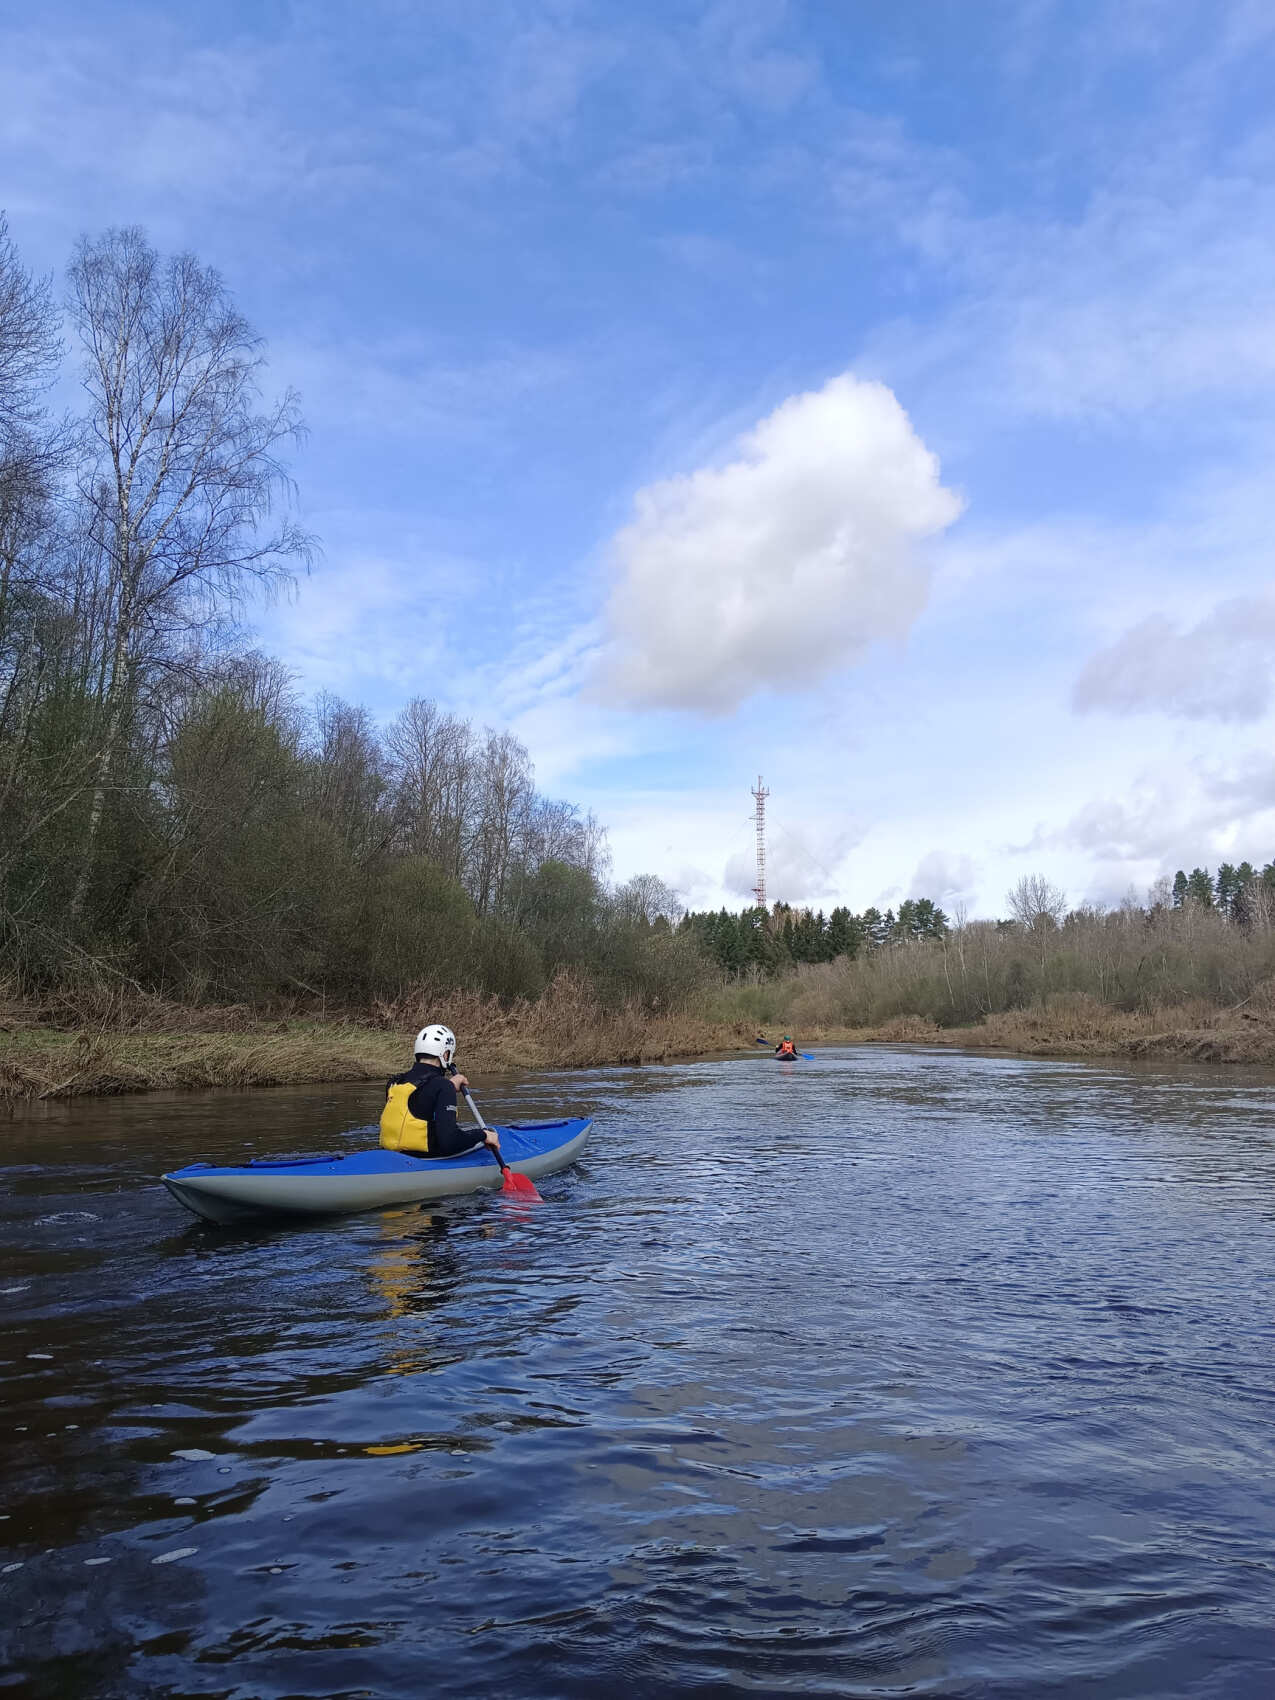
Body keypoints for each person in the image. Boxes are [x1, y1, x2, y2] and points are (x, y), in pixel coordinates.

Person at [379, 1023, 503, 1160]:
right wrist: (483, 1135)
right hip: (425, 1160)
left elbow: (419, 1103)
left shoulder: (395, 1082)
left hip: (391, 1156)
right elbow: (450, 1143)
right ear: (445, 1054)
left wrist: (448, 1086)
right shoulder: (442, 1086)